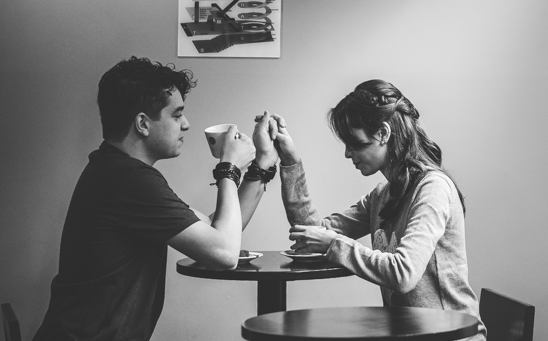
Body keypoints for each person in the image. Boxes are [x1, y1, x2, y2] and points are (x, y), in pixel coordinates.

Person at [34, 56, 279, 341]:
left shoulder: (118, 172)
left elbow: (220, 228)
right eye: (176, 115)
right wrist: (229, 168)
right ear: (142, 123)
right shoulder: (128, 180)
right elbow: (223, 253)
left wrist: (262, 165)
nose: (186, 124)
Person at [270, 79, 486, 340]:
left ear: (383, 133)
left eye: (356, 143)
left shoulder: (433, 188)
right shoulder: (383, 196)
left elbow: (404, 273)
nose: (348, 154)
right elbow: (313, 233)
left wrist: (332, 244)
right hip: (410, 334)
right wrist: (290, 162)